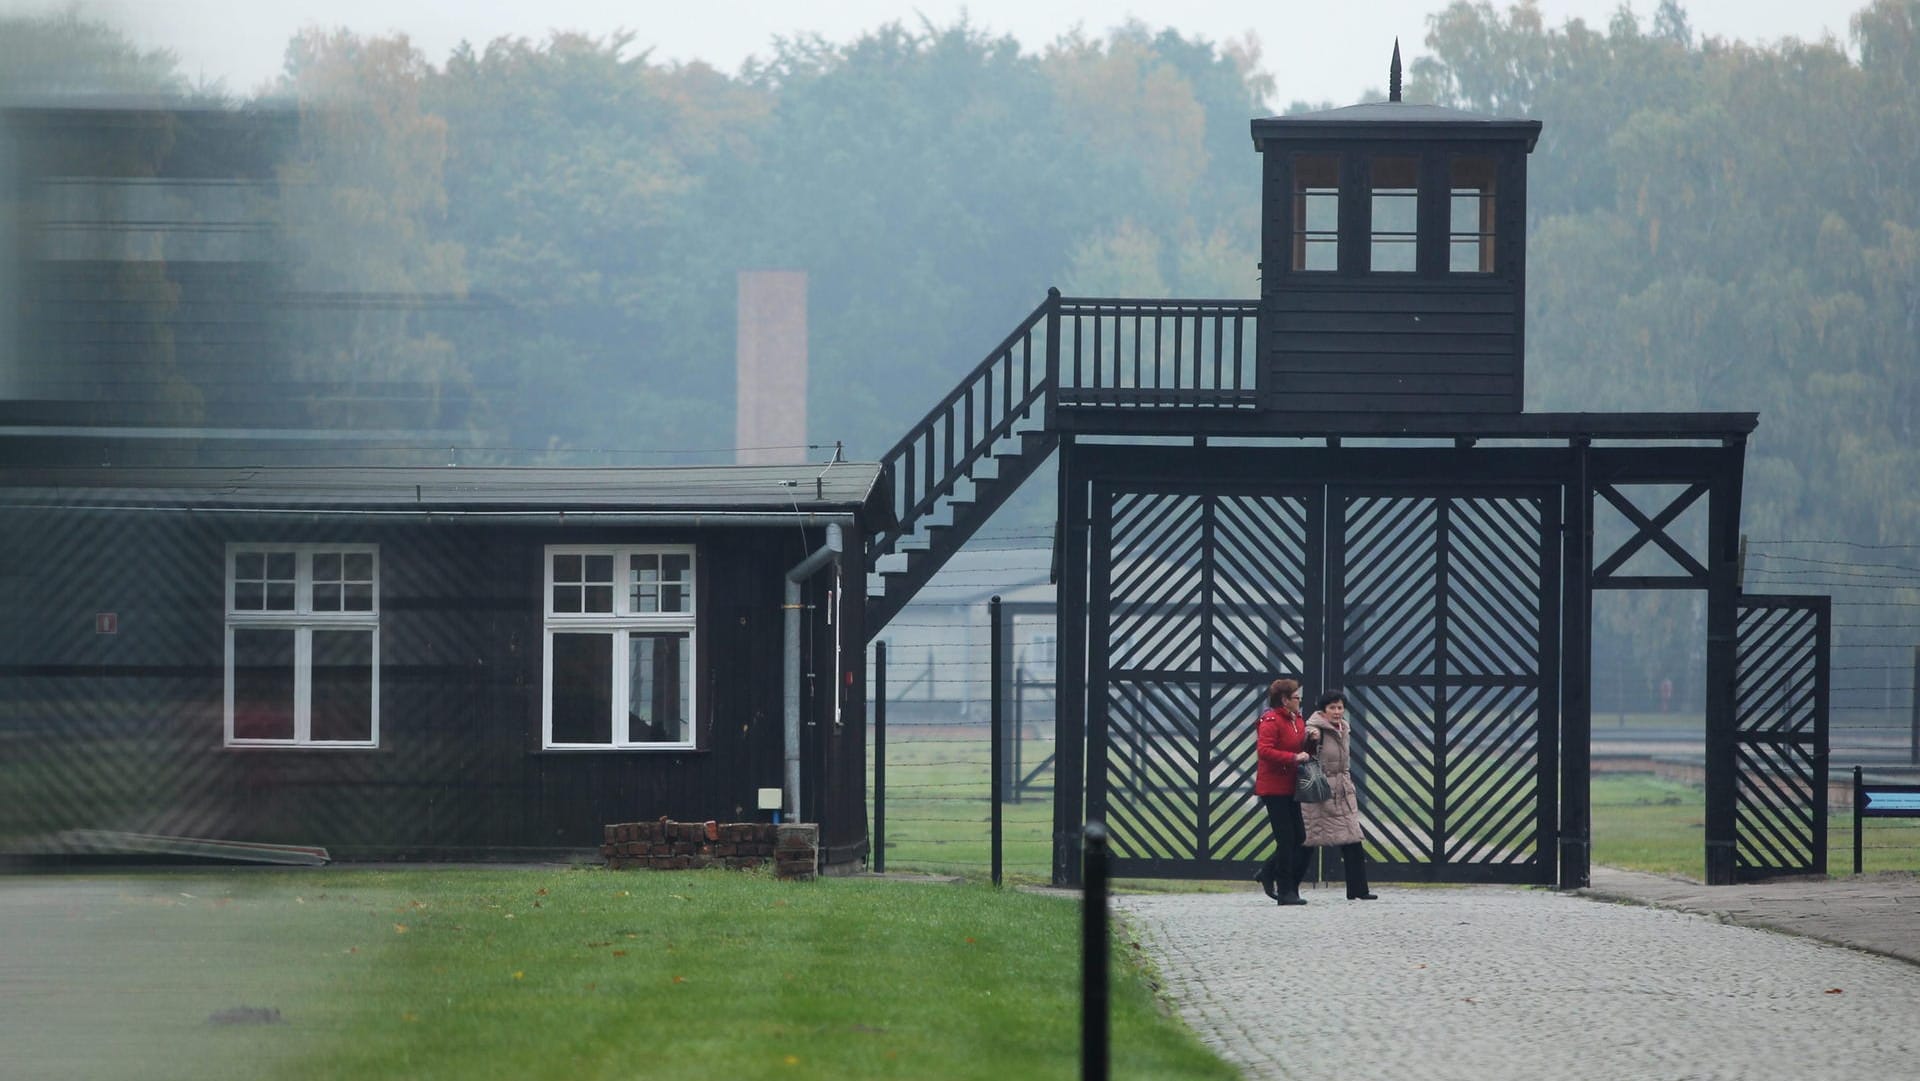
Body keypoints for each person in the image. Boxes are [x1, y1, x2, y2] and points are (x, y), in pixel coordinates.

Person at [1300, 689, 1377, 900]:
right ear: (1323, 710)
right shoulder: (1314, 728)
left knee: (1352, 840)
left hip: (1342, 792)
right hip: (1321, 792)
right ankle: (1274, 876)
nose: (1336, 711)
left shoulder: (1344, 728)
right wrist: (1311, 739)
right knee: (1307, 840)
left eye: (1340, 707)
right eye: (1332, 707)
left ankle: (1359, 890)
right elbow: (1305, 749)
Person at [1253, 678, 1313, 906]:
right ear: (1284, 700)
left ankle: (1268, 872)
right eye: (1296, 697)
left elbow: (1297, 747)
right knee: (1286, 839)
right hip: (1273, 788)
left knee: (1300, 838)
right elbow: (1264, 750)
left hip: (1291, 786)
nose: (1299, 700)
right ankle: (1286, 890)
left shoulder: (1296, 719)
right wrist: (1292, 758)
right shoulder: (1271, 720)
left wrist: (1309, 743)